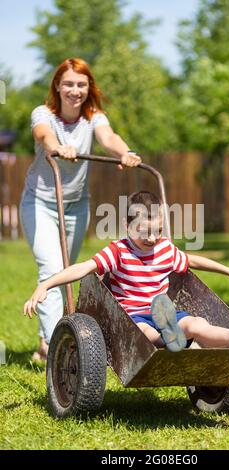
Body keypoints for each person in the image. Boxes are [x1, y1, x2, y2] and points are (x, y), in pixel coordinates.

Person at [23, 191, 229, 355]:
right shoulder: (119, 251)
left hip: (163, 312)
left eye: (157, 231)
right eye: (145, 232)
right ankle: (169, 340)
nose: (153, 238)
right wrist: (45, 285)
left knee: (196, 323)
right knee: (144, 333)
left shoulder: (165, 248)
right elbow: (84, 268)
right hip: (131, 319)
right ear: (127, 226)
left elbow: (193, 261)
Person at [20, 58, 141, 361]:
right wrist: (58, 147)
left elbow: (108, 138)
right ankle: (53, 346)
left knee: (65, 274)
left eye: (81, 84)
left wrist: (125, 152)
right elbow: (44, 136)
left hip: (76, 205)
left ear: (89, 88)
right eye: (69, 84)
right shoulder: (43, 114)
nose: (75, 90)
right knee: (51, 269)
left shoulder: (93, 116)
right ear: (58, 86)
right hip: (40, 202)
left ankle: (46, 339)